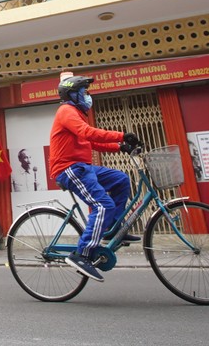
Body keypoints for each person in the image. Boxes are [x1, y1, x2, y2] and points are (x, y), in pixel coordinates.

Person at [49, 75, 140, 282]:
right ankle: (82, 254)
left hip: (83, 168)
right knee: (103, 205)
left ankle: (111, 228)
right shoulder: (67, 111)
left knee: (121, 180)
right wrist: (121, 135)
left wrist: (120, 147)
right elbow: (87, 133)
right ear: (72, 94)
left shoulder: (78, 114)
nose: (88, 97)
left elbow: (90, 143)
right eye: (84, 93)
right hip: (69, 168)